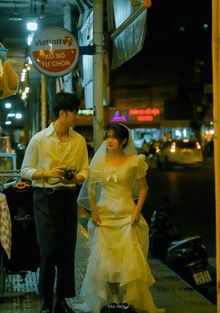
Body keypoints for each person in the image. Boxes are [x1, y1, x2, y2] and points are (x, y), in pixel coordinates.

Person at [77, 124, 165, 313]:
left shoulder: (134, 161)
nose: (109, 140)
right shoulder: (99, 162)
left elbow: (143, 189)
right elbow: (91, 190)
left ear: (123, 141)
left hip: (126, 215)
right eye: (107, 137)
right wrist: (93, 212)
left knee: (128, 260)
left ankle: (128, 301)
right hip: (104, 215)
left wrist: (136, 213)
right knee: (105, 260)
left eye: (114, 137)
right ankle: (114, 300)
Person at [21, 92, 89, 313]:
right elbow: (25, 170)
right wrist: (47, 173)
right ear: (63, 113)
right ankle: (46, 303)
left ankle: (62, 300)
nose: (77, 117)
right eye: (75, 112)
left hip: (68, 198)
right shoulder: (40, 139)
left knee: (67, 251)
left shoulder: (78, 141)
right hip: (45, 198)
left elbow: (85, 171)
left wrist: (76, 177)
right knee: (48, 251)